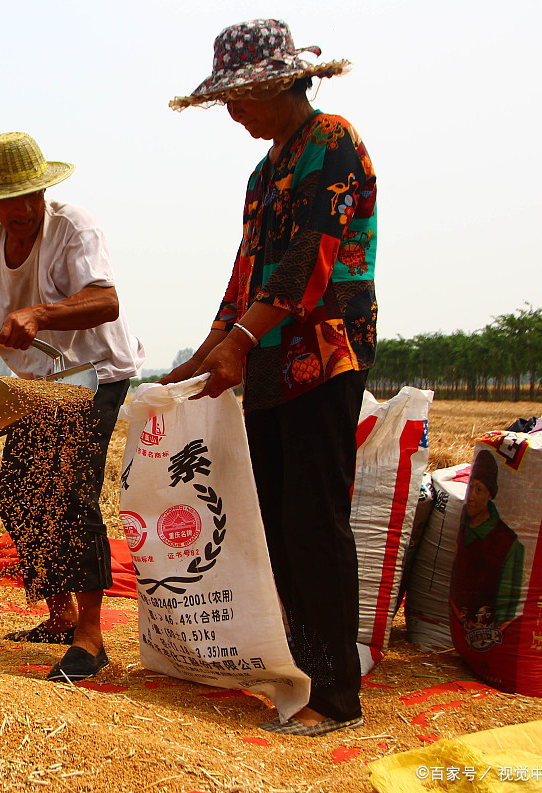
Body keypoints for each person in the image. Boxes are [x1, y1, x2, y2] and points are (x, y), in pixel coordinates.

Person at [163, 19, 377, 736]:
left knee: (315, 525)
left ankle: (336, 696)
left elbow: (308, 262)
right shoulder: (265, 172)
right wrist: (204, 354)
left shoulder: (332, 143)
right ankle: (302, 670)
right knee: (280, 530)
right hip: (271, 373)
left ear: (279, 83)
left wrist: (240, 342)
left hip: (324, 359)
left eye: (240, 98)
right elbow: (247, 271)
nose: (233, 114)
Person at [0, 131, 144, 682]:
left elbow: (105, 301)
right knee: (18, 497)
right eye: (8, 200)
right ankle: (58, 615)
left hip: (94, 375)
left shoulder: (73, 228)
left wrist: (40, 314)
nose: (21, 209)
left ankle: (91, 637)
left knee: (69, 492)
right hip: (37, 383)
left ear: (44, 192)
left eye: (30, 196)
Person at [451, 450, 525, 631]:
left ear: (490, 495)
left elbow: (506, 605)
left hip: (487, 638)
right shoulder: (465, 528)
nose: (472, 497)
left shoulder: (507, 545)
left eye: (479, 490)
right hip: (458, 631)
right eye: (471, 488)